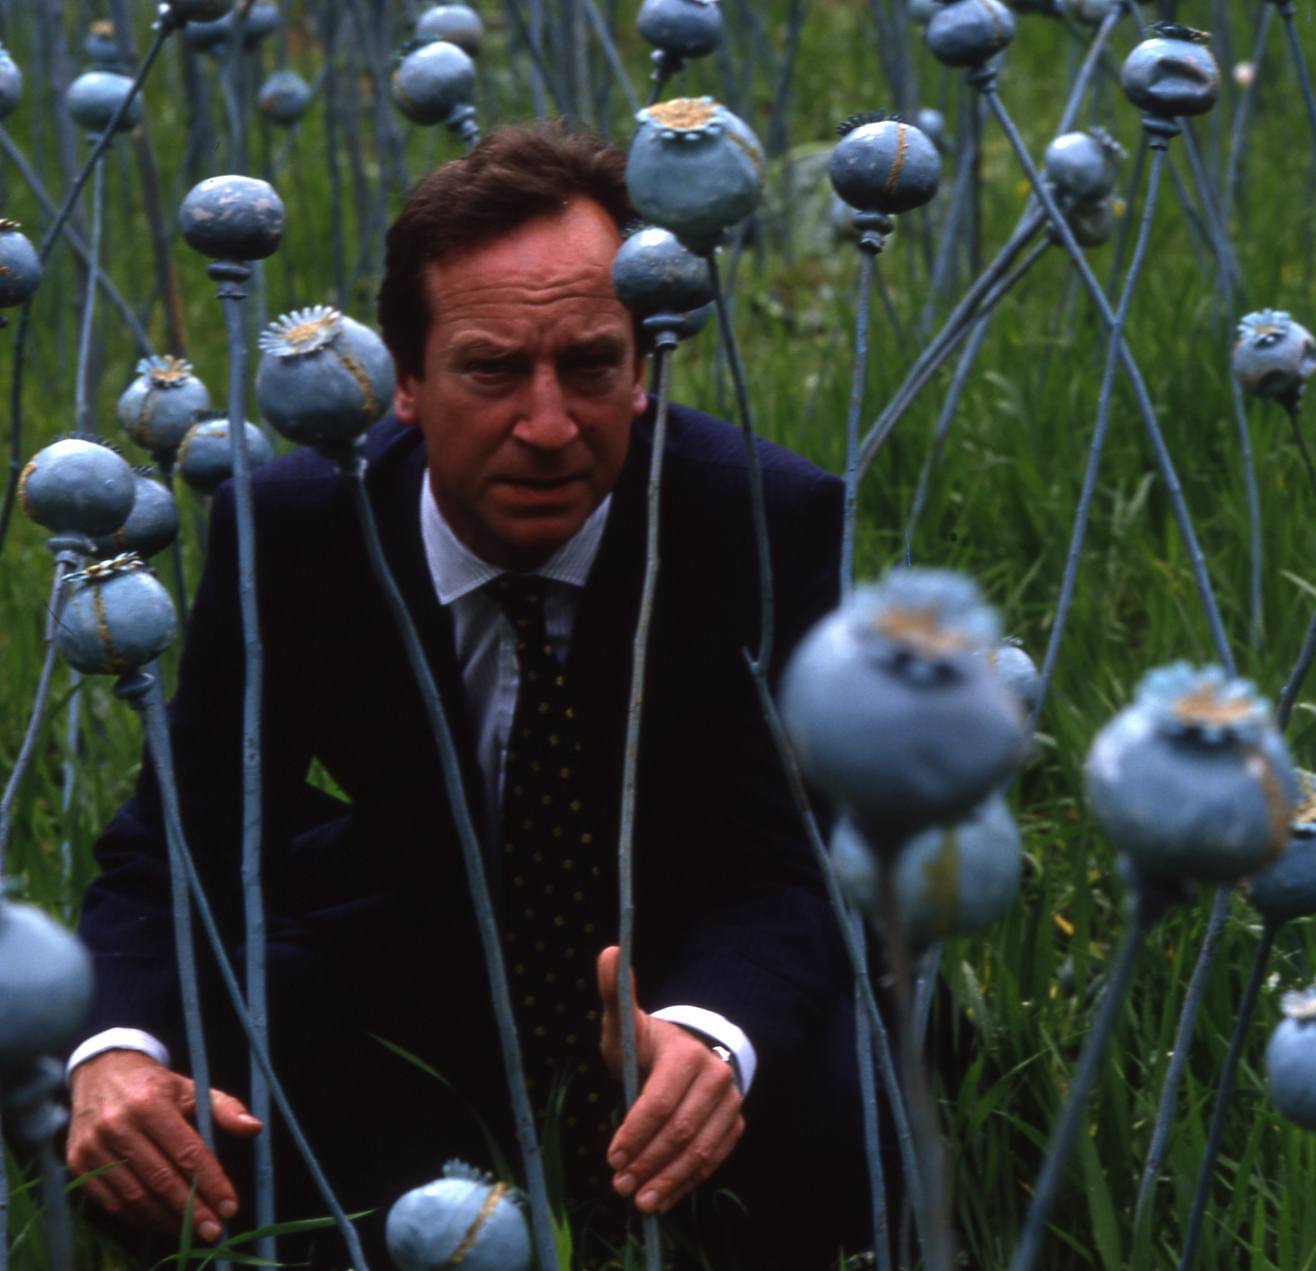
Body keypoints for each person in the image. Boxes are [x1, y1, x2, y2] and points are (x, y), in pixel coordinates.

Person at [66, 120, 867, 1267]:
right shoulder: (295, 529)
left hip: (680, 963)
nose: (549, 428)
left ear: (643, 365)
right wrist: (117, 1050)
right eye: (492, 370)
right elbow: (182, 847)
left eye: (592, 363)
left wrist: (712, 1032)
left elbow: (796, 853)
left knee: (850, 1108)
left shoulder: (759, 519)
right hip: (400, 980)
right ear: (400, 383)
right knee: (97, 1106)